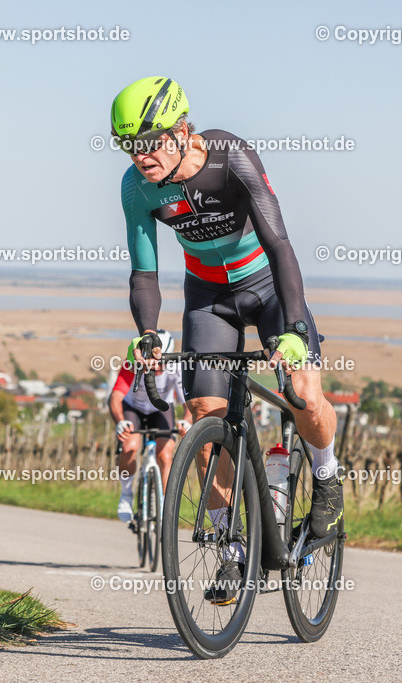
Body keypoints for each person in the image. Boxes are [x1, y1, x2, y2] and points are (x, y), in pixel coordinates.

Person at [110, 77, 342, 603]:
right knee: (204, 415)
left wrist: (295, 330)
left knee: (304, 393)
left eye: (148, 142)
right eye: (128, 145)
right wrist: (147, 333)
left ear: (181, 131)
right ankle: (232, 549)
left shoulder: (229, 155)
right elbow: (144, 273)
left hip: (269, 288)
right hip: (209, 298)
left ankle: (328, 477)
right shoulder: (136, 187)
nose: (140, 155)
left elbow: (279, 243)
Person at [108, 330, 191, 524]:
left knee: (165, 455)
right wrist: (120, 421)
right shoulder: (132, 363)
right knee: (129, 447)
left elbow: (188, 404)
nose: (157, 368)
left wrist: (187, 421)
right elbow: (116, 397)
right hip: (133, 409)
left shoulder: (176, 368)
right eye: (153, 362)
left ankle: (167, 508)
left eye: (161, 363)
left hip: (161, 409)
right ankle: (126, 494)